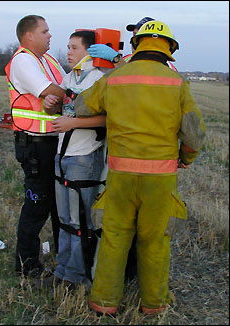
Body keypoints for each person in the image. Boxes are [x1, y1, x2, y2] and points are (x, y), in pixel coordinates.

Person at [74, 20, 206, 315]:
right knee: (156, 241)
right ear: (169, 49)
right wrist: (186, 159)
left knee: (114, 237)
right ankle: (154, 305)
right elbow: (195, 134)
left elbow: (83, 107)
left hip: (120, 176)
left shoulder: (117, 77)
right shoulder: (177, 83)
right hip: (160, 179)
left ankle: (103, 303)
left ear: (136, 45)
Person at [43, 30, 106, 289]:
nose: (68, 52)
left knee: (81, 221)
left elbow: (107, 119)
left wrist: (73, 123)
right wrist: (51, 105)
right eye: (68, 47)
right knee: (65, 220)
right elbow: (62, 111)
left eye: (74, 48)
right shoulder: (69, 77)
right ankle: (63, 269)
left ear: (90, 51)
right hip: (63, 155)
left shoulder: (99, 79)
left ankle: (77, 277)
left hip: (84, 158)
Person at [5, 15, 67, 278]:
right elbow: (54, 91)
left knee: (57, 202)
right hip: (35, 143)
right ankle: (26, 264)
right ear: (28, 35)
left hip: (52, 141)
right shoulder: (23, 60)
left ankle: (61, 255)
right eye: (45, 31)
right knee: (37, 203)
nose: (50, 36)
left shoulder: (49, 60)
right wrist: (69, 96)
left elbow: (65, 88)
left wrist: (65, 95)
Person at [87, 16, 177, 71]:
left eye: (138, 37)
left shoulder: (167, 67)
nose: (134, 41)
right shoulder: (127, 58)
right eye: (134, 35)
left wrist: (116, 59)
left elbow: (135, 80)